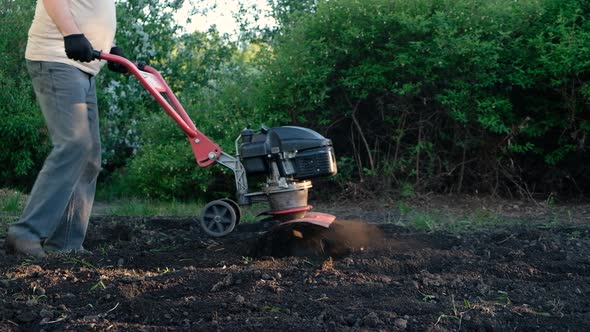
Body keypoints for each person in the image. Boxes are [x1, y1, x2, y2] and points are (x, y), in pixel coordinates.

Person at [5, 0, 127, 258]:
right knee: (74, 143)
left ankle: (66, 244)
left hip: (84, 67)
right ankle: (25, 234)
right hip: (57, 58)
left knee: (89, 156)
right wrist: (71, 33)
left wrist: (112, 48)